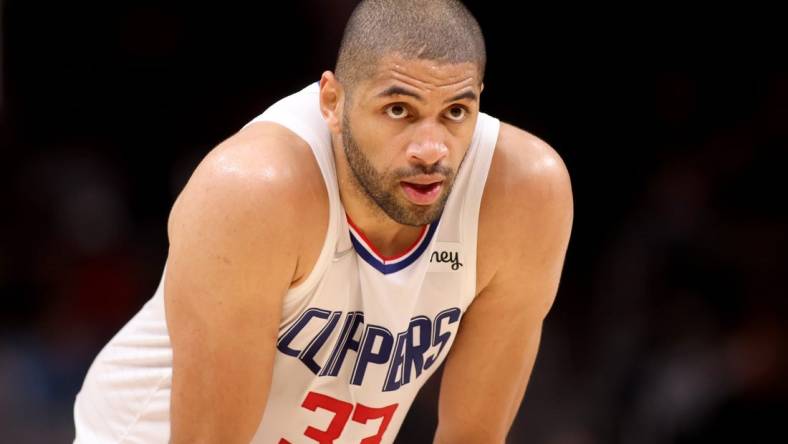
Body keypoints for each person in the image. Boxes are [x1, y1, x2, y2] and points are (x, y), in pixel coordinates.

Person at [73, 0, 573, 442]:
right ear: (332, 101)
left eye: (456, 112)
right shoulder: (254, 191)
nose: (431, 150)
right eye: (398, 109)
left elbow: (473, 437)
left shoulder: (525, 193)